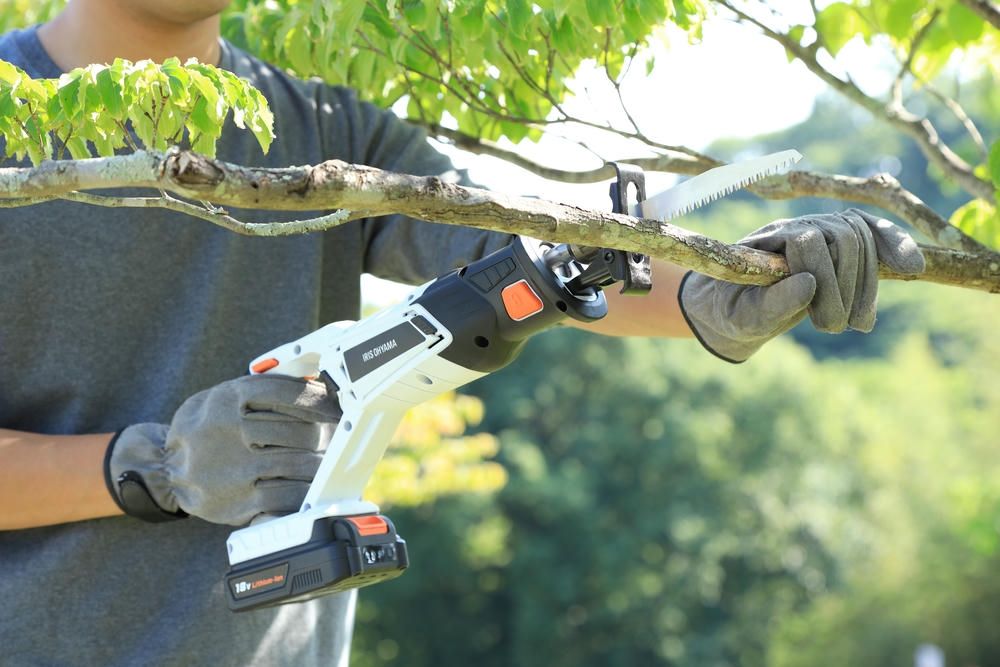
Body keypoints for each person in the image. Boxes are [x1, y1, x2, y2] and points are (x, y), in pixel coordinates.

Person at [0, 1, 925, 665]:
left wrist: (723, 285)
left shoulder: (327, 129)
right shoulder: (10, 121)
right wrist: (151, 464)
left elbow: (533, 252)